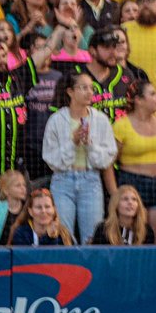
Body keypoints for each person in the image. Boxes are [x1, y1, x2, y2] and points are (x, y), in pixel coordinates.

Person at [42, 71, 118, 247]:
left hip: (91, 180)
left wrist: (89, 144)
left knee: (92, 235)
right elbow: (50, 158)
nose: (89, 92)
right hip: (62, 180)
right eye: (83, 88)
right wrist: (73, 142)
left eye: (91, 88)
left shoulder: (100, 120)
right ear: (70, 92)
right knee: (63, 235)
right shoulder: (56, 120)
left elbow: (108, 156)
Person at [113, 79, 156, 245]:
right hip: (132, 183)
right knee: (135, 238)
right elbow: (110, 162)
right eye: (152, 94)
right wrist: (115, 193)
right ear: (139, 100)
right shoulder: (121, 126)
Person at [90, 185, 155, 245]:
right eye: (125, 199)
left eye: (134, 199)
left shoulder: (147, 231)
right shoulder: (103, 229)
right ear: (116, 205)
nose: (130, 202)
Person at [9, 186, 74, 246]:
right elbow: (34, 257)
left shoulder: (62, 234)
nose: (43, 211)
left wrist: (52, 237)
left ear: (54, 209)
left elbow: (55, 256)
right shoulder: (21, 233)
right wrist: (48, 238)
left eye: (47, 207)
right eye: (39, 207)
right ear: (30, 211)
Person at [0, 170, 28, 245]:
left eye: (24, 185)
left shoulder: (28, 208)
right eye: (18, 185)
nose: (23, 188)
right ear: (6, 190)